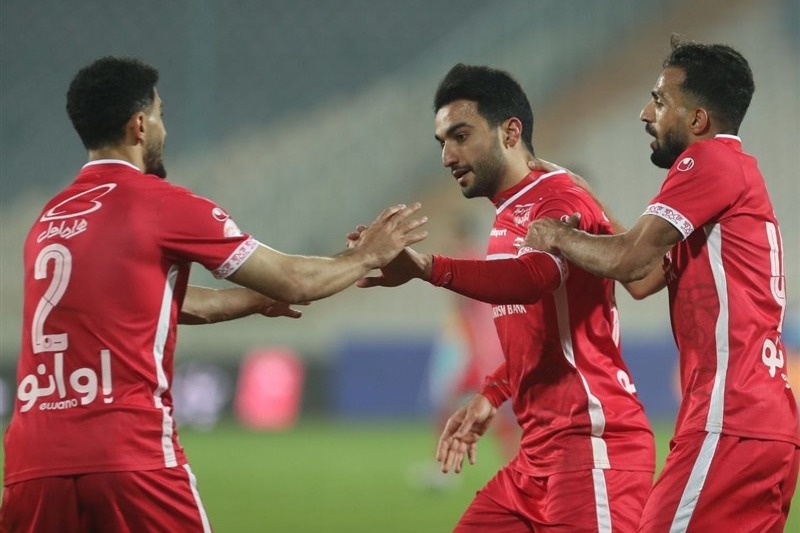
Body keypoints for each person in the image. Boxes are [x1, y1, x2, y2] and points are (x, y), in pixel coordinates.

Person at [0, 56, 428, 533]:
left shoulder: (49, 220)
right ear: (139, 125)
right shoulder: (162, 204)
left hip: (30, 465)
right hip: (127, 454)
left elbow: (153, 305)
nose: (164, 129)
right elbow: (295, 280)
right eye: (160, 115)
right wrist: (367, 255)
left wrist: (253, 300)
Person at [353, 63, 655, 532]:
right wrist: (492, 394)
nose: (447, 157)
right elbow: (537, 335)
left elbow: (532, 278)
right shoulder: (508, 215)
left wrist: (425, 267)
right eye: (442, 142)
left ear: (510, 132)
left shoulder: (558, 199)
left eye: (460, 136)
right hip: (538, 455)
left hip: (592, 445)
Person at [524, 38, 800, 532]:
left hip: (729, 418)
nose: (645, 113)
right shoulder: (735, 175)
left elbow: (631, 262)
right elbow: (646, 277)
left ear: (697, 120)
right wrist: (588, 199)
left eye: (659, 99)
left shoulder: (707, 161)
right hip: (765, 425)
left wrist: (556, 235)